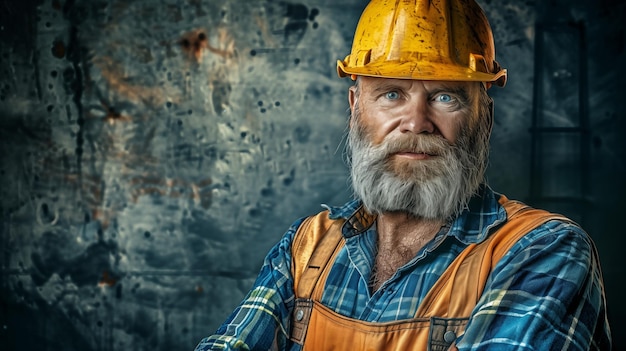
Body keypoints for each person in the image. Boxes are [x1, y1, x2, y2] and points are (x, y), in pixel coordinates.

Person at [194, 0, 612, 350]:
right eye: (392, 94)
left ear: (483, 118)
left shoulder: (542, 251)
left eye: (445, 96)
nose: (416, 122)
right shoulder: (306, 248)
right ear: (356, 107)